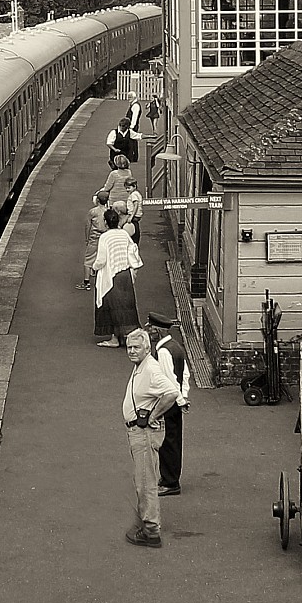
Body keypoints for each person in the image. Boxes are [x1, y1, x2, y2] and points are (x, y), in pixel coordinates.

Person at [121, 326, 182, 546]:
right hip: (138, 431)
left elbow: (171, 392)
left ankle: (150, 531)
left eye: (136, 347)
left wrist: (154, 415)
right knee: (142, 479)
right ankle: (144, 521)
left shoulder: (151, 370)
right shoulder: (141, 365)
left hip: (144, 432)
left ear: (147, 348)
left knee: (146, 482)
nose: (132, 351)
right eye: (129, 347)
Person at [151, 317, 191, 495]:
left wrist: (180, 401)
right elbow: (185, 375)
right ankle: (169, 477)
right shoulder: (175, 346)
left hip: (169, 401)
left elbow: (169, 380)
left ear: (159, 330)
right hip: (176, 399)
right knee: (173, 440)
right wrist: (184, 396)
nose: (149, 332)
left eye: (151, 328)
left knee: (167, 442)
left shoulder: (164, 352)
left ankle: (170, 482)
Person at [91, 206, 142, 347]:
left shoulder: (105, 237)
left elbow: (101, 260)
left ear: (106, 223)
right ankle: (129, 336)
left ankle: (114, 338)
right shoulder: (124, 234)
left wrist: (93, 268)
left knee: (110, 306)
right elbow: (132, 249)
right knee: (126, 306)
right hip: (125, 274)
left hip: (111, 275)